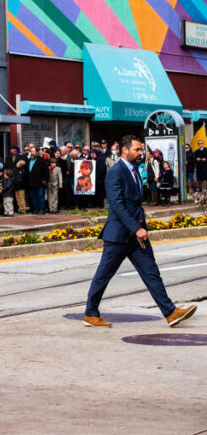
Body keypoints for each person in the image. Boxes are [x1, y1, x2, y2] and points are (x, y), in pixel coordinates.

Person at [83, 135, 197, 328]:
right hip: (119, 236)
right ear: (125, 150)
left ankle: (170, 312)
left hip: (136, 236)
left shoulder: (135, 171)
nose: (141, 152)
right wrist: (136, 228)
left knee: (151, 272)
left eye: (141, 149)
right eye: (137, 149)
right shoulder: (115, 172)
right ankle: (90, 313)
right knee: (104, 274)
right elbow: (117, 205)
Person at [27, 147, 48, 214]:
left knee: (40, 196)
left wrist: (44, 179)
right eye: (31, 151)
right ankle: (36, 209)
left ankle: (42, 209)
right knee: (33, 197)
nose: (32, 153)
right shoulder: (29, 160)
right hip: (31, 182)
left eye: (33, 151)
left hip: (39, 182)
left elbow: (46, 171)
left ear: (36, 152)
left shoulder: (42, 160)